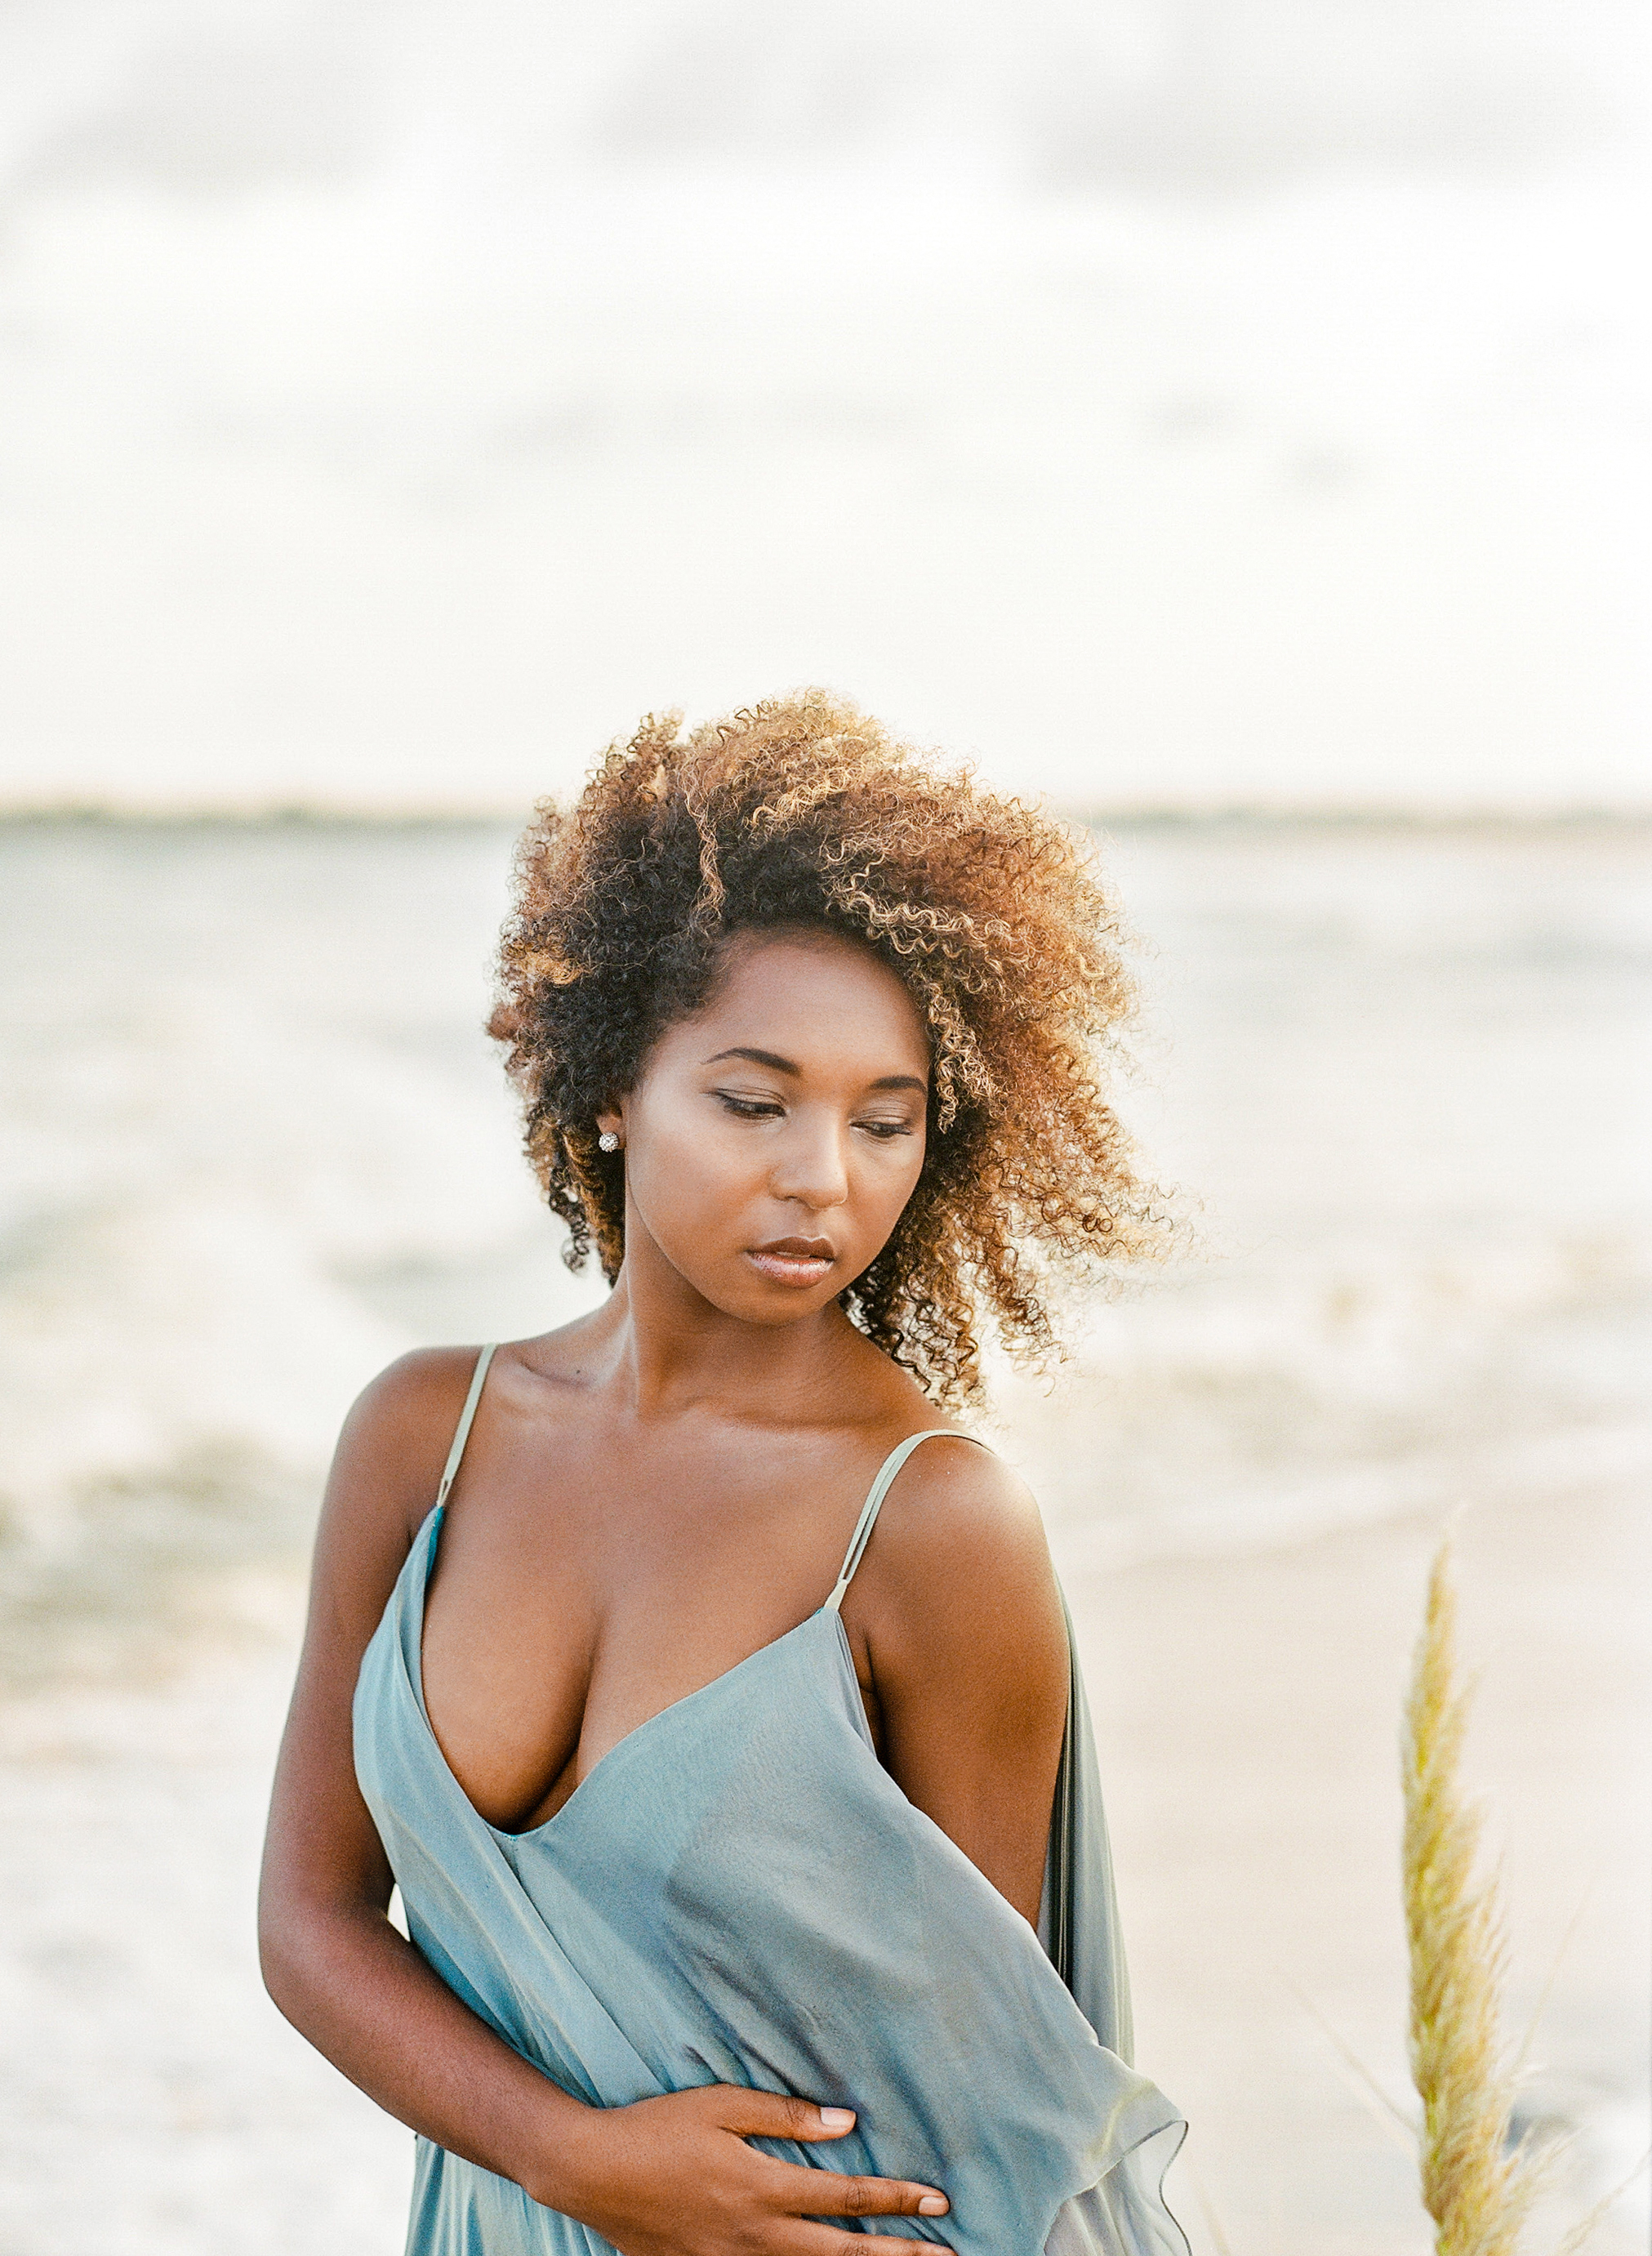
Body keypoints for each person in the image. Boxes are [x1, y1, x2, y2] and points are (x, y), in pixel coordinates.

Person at [259, 691, 1188, 2255]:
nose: (822, 1176)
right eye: (753, 1102)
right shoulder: (424, 1439)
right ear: (612, 1088)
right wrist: (567, 2154)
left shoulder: (932, 1525)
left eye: (884, 1122)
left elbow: (972, 2117)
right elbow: (311, 1920)